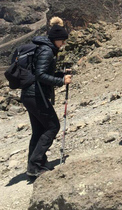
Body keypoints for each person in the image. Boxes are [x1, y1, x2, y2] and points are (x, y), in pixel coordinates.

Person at [21, 17, 72, 177]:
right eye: (62, 41)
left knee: (38, 130)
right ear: (56, 40)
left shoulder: (44, 48)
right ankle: (35, 165)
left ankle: (35, 164)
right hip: (36, 94)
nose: (63, 44)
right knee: (52, 126)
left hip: (30, 94)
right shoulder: (47, 51)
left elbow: (42, 72)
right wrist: (61, 81)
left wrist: (60, 74)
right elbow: (41, 74)